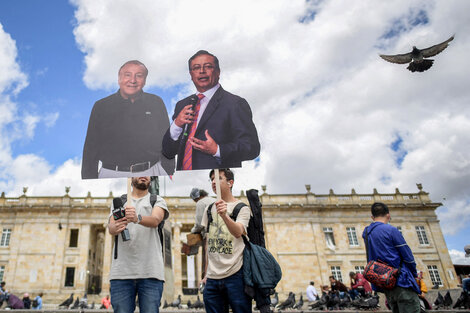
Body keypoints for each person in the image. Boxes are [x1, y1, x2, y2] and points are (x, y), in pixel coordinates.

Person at [162, 50, 260, 171]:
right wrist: (176, 124)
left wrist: (217, 150)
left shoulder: (235, 104)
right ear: (191, 74)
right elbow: (168, 152)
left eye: (208, 66)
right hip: (185, 178)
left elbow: (252, 148)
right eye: (196, 67)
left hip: (216, 179)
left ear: (218, 72)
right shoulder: (182, 105)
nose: (202, 71)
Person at [82, 60, 174, 179]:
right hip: (111, 174)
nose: (133, 80)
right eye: (127, 75)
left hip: (152, 171)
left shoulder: (156, 102)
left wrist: (169, 171)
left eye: (139, 76)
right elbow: (90, 149)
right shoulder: (101, 106)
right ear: (119, 78)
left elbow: (167, 141)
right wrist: (89, 181)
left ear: (144, 81)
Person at [108, 176, 169, 313]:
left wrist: (137, 218)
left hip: (151, 272)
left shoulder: (157, 200)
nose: (144, 175)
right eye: (140, 172)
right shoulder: (120, 202)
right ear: (130, 178)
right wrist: (117, 225)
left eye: (147, 173)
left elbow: (155, 220)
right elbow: (111, 228)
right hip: (121, 273)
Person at [200, 168, 252, 313]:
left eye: (218, 178)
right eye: (211, 179)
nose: (214, 182)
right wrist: (205, 274)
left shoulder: (242, 208)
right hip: (212, 277)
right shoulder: (209, 209)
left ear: (230, 183)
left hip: (235, 275)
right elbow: (207, 244)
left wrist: (224, 215)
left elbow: (238, 232)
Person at [363, 202, 420, 313]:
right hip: (401, 281)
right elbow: (408, 257)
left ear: (372, 217)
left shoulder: (367, 233)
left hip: (387, 284)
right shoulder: (391, 230)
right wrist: (414, 275)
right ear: (388, 215)